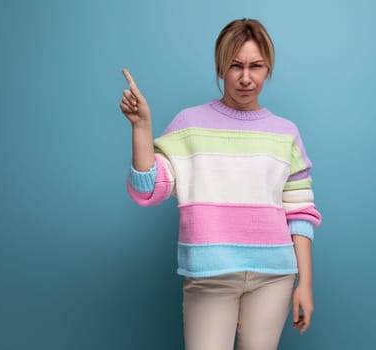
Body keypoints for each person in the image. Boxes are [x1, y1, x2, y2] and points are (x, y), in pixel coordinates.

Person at [119, 18, 322, 350]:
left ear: (268, 68)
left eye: (255, 66)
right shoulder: (189, 125)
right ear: (220, 68)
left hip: (274, 277)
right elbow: (148, 189)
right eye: (235, 66)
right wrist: (142, 128)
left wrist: (306, 284)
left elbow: (300, 212)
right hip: (210, 275)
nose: (245, 77)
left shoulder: (286, 133)